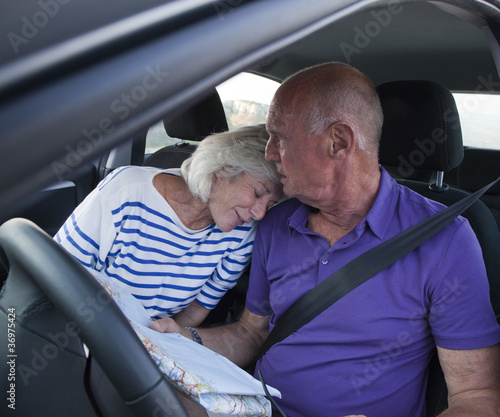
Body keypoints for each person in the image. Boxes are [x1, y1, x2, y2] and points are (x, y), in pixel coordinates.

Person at [151, 63, 500, 417]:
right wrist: (185, 340)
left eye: (280, 137)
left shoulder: (445, 240)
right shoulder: (275, 222)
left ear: (339, 142)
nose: (269, 152)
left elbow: (477, 396)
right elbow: (252, 334)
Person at [55, 124, 282, 327]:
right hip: (77, 325)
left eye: (270, 204)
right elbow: (59, 272)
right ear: (223, 169)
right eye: (257, 192)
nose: (260, 213)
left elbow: (199, 307)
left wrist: (157, 343)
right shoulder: (128, 190)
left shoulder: (242, 232)